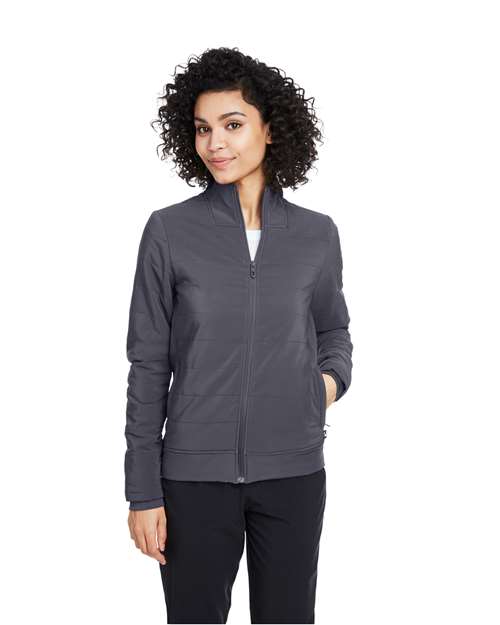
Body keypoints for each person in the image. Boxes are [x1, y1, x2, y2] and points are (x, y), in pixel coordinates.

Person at [124, 46, 353, 624]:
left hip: (294, 474)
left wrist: (325, 385)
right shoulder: (169, 231)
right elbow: (148, 364)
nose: (215, 144)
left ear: (271, 130)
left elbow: (333, 327)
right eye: (203, 129)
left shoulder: (316, 235)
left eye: (232, 125)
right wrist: (143, 491)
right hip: (192, 479)